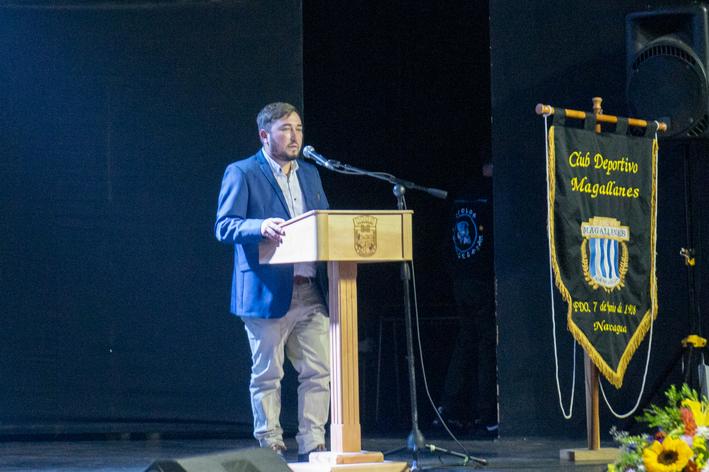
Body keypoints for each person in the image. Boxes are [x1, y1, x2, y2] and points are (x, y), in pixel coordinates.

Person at [215, 102, 330, 461]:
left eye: (298, 128)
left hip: (310, 289)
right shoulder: (243, 172)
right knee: (268, 374)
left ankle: (313, 443)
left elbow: (325, 222)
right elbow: (224, 225)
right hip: (266, 291)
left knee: (319, 371)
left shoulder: (310, 173)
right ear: (264, 135)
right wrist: (260, 226)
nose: (295, 136)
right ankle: (271, 445)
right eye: (285, 129)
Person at [434, 160, 498, 439]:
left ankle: (448, 409)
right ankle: (487, 414)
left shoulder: (461, 193)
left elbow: (449, 239)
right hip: (481, 278)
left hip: (460, 279)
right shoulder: (491, 194)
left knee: (466, 341)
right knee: (486, 344)